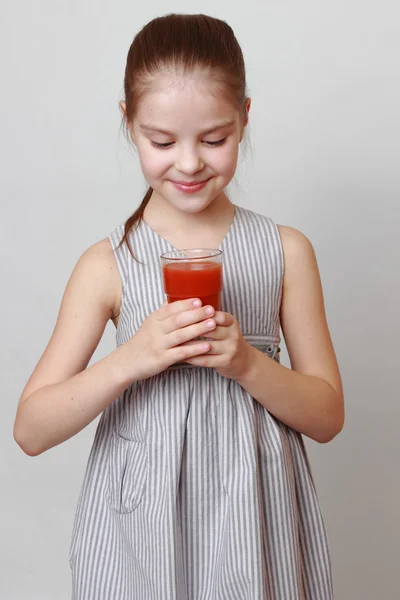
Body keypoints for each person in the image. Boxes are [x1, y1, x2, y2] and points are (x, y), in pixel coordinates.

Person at [14, 13, 344, 600]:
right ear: (129, 124)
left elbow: (327, 416)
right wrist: (130, 359)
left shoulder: (285, 252)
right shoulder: (109, 265)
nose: (189, 164)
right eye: (161, 142)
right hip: (138, 536)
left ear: (245, 116)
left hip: (255, 520)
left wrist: (246, 362)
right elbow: (31, 430)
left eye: (214, 139)